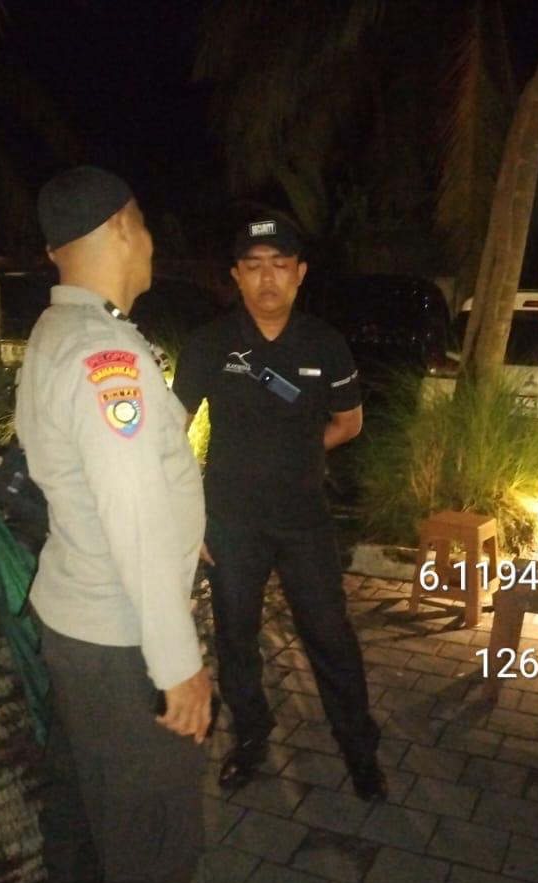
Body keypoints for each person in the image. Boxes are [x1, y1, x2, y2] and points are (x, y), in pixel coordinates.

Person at [14, 166, 213, 883]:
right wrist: (179, 666)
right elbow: (132, 517)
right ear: (127, 227)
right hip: (122, 642)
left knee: (84, 820)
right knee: (152, 857)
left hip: (75, 621)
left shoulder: (56, 329)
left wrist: (184, 529)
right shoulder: (107, 356)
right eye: (148, 227)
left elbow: (96, 485)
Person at [172, 216, 386, 801]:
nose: (268, 279)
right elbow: (170, 433)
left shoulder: (324, 343)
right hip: (230, 522)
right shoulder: (210, 343)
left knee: (330, 635)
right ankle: (251, 737)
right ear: (236, 275)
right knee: (235, 637)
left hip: (304, 519)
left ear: (300, 274)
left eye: (280, 265)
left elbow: (349, 423)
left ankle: (359, 748)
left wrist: (298, 455)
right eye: (254, 266)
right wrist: (189, 518)